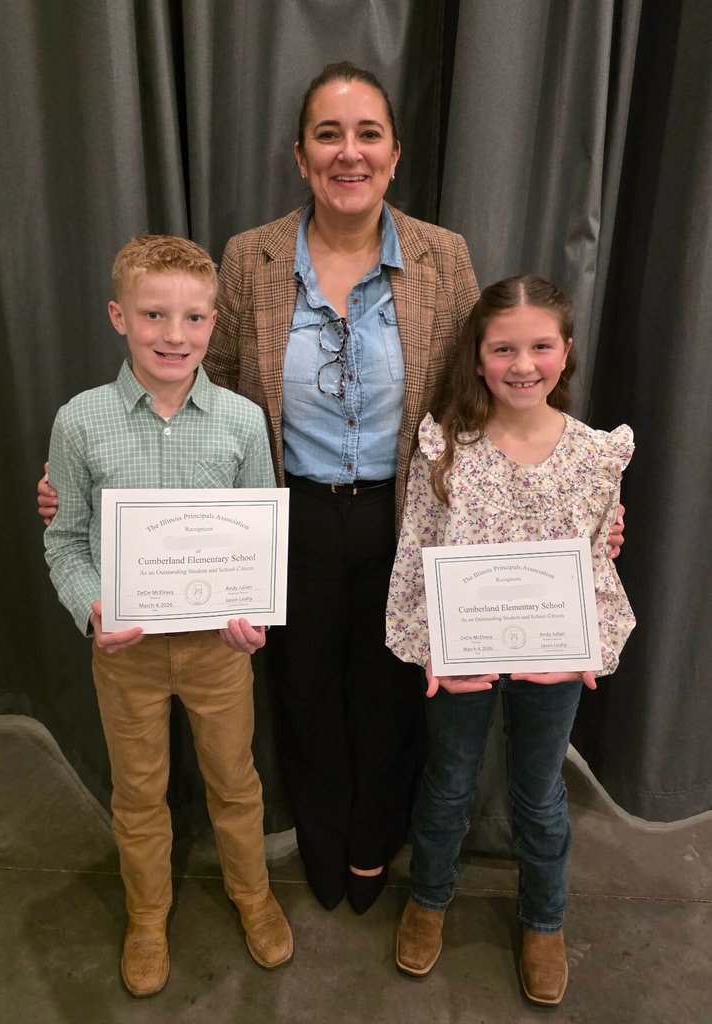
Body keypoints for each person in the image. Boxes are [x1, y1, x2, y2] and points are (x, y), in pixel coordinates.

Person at [38, 62, 625, 916]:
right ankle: (320, 840)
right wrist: (90, 488)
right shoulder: (251, 258)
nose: (348, 153)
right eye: (328, 134)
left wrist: (586, 504)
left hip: (405, 515)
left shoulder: (440, 255)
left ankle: (369, 847)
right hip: (287, 518)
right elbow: (214, 389)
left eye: (367, 134)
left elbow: (481, 392)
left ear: (391, 155)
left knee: (391, 696)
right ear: (300, 154)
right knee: (304, 694)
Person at [43, 235, 292, 998]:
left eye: (191, 318)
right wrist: (91, 607)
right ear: (120, 316)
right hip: (126, 653)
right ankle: (147, 914)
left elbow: (258, 541)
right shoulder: (81, 421)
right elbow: (64, 539)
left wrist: (254, 614)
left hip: (220, 654)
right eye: (153, 314)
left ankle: (251, 893)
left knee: (235, 781)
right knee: (139, 791)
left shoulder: (244, 423)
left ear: (214, 323)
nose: (173, 336)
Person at [385, 276, 635, 1005]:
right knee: (449, 782)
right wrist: (432, 652)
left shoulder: (595, 454)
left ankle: (543, 920)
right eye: (503, 348)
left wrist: (586, 646)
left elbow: (596, 554)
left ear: (565, 352)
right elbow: (415, 554)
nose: (522, 364)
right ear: (478, 355)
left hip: (553, 662)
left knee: (538, 793)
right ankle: (428, 901)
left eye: (539, 346)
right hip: (461, 661)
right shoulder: (444, 447)